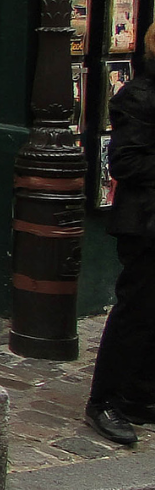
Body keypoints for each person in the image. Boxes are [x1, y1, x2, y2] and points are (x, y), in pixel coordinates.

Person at [85, 23, 155, 447]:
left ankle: (141, 395)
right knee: (137, 312)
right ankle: (105, 401)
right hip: (146, 223)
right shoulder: (140, 95)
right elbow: (126, 162)